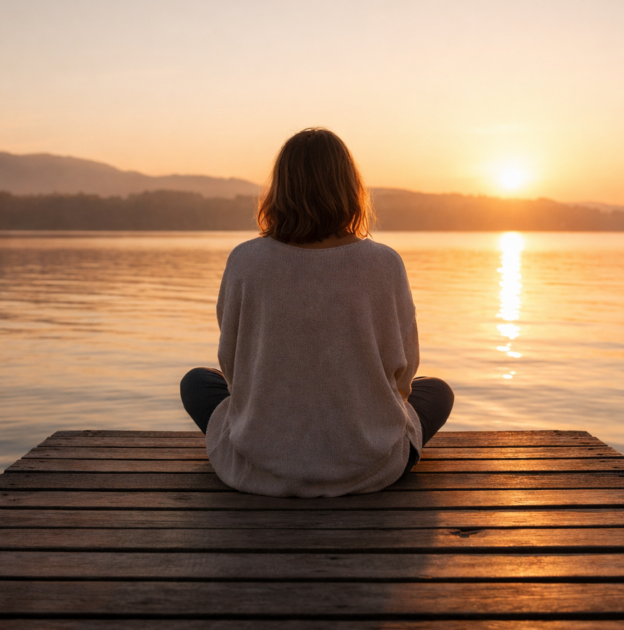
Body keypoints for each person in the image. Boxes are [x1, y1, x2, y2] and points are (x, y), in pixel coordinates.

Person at [180, 128, 453, 497]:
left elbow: (232, 365)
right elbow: (404, 373)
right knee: (436, 392)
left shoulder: (245, 260)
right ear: (349, 187)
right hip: (369, 466)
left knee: (197, 383)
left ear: (281, 188)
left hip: (258, 465)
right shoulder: (384, 263)